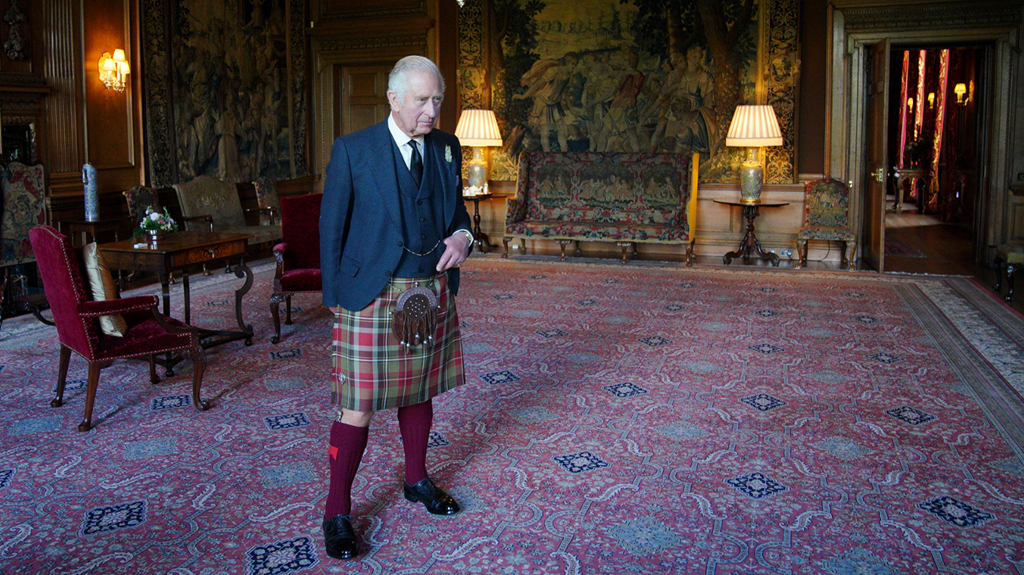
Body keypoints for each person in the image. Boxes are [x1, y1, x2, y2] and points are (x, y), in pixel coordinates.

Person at [318, 55, 474, 561]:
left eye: (437, 100)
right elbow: (331, 227)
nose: (431, 110)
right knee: (358, 404)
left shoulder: (446, 147)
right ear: (392, 99)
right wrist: (335, 299)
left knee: (420, 388)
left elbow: (458, 212)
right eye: (421, 100)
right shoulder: (353, 150)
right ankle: (336, 512)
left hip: (428, 288)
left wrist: (464, 236)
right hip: (370, 292)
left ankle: (416, 479)